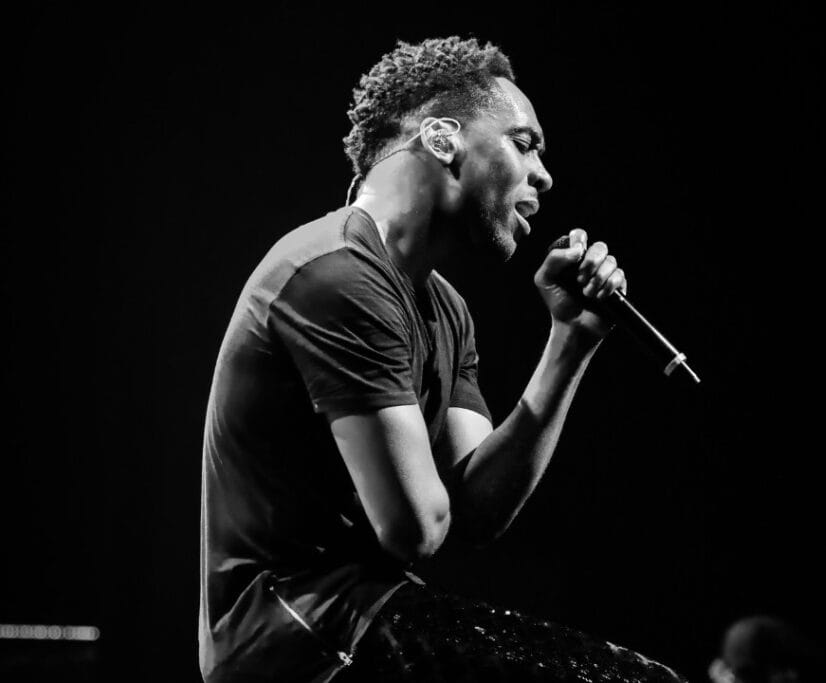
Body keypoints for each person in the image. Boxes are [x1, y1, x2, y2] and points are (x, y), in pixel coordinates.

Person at [199, 36, 682, 682]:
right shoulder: (334, 273)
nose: (544, 175)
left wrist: (571, 341)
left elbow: (478, 506)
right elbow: (419, 527)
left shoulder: (446, 308)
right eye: (524, 143)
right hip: (297, 636)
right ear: (443, 139)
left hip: (371, 618)